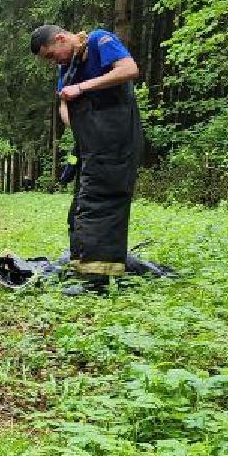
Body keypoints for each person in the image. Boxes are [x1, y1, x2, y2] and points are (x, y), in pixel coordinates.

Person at [31, 24, 143, 294]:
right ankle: (82, 264)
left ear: (60, 39)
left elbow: (129, 69)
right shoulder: (67, 68)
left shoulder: (99, 41)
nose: (53, 61)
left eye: (51, 55)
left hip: (116, 140)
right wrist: (71, 109)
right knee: (83, 202)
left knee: (103, 202)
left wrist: (83, 87)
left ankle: (98, 279)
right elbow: (66, 109)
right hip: (91, 145)